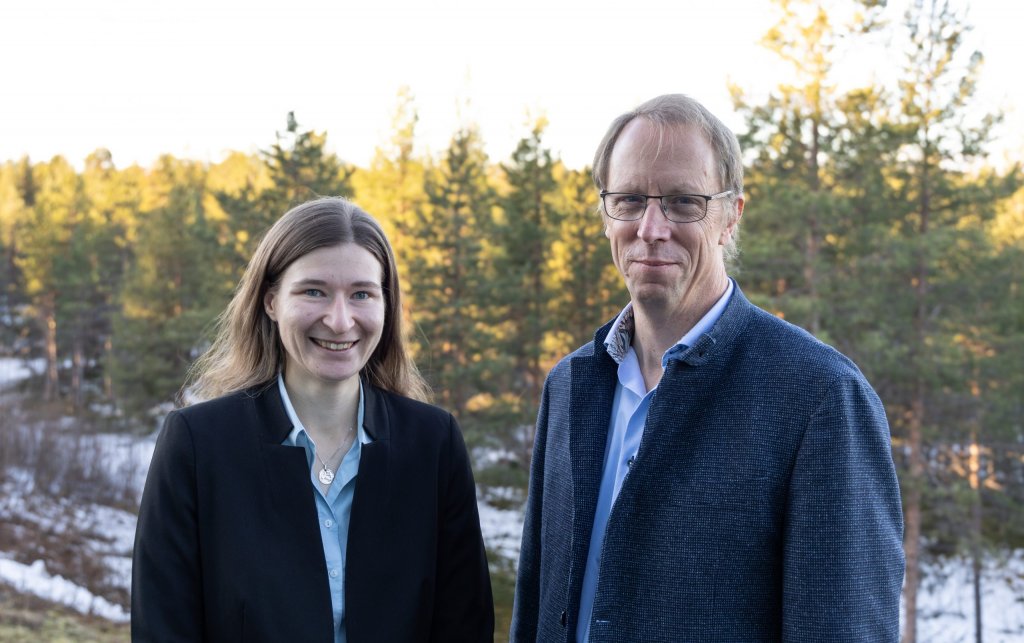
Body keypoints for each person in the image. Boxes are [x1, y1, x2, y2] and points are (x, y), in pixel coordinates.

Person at [510, 95, 904, 642]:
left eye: (682, 201)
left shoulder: (819, 396)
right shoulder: (571, 383)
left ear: (729, 216)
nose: (650, 227)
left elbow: (843, 627)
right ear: (606, 214)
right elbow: (535, 610)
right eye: (628, 200)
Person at [132, 197, 494, 642]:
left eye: (361, 293)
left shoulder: (433, 443)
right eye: (313, 291)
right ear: (270, 302)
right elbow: (163, 629)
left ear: (386, 304)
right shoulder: (197, 445)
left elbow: (464, 626)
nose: (340, 321)